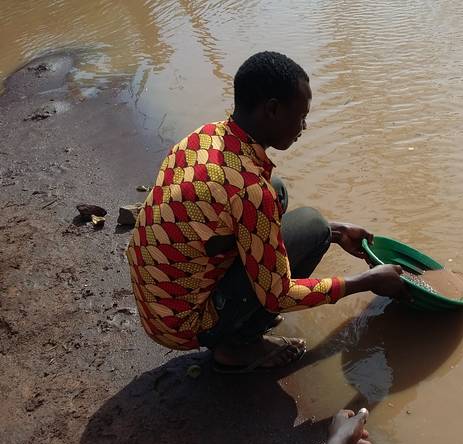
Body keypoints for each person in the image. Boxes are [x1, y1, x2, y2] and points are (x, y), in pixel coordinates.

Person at [126, 51, 408, 372]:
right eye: (300, 116)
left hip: (157, 302)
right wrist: (365, 281)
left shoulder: (206, 137)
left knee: (279, 192)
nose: (304, 126)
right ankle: (237, 345)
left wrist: (338, 232)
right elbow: (279, 296)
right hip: (182, 323)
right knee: (311, 228)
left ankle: (238, 318)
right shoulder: (249, 189)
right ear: (272, 109)